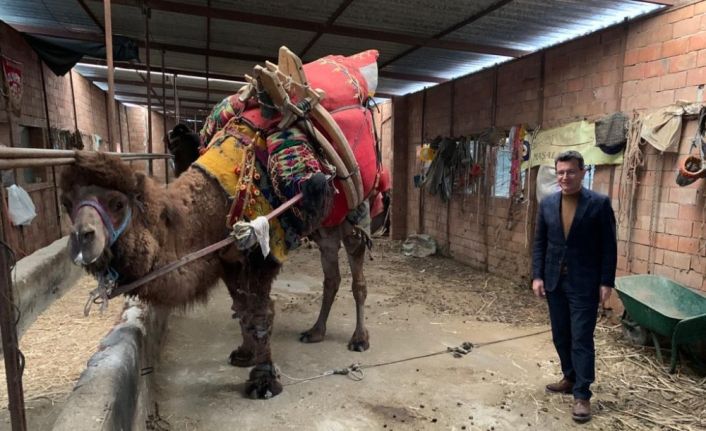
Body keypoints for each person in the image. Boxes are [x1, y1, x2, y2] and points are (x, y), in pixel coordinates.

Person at [531, 150, 617, 423]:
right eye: (560, 172)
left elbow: (609, 246)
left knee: (581, 337)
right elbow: (540, 243)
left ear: (582, 172)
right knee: (561, 335)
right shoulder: (547, 204)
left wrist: (606, 281)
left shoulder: (599, 204)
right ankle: (569, 377)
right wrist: (537, 276)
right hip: (555, 281)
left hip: (584, 282)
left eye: (570, 172)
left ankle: (582, 394)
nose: (564, 177)